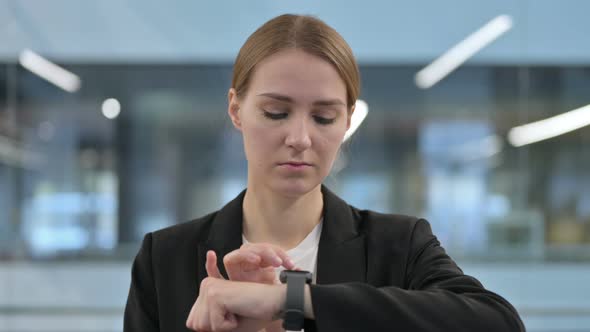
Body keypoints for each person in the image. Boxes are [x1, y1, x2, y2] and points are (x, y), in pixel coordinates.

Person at [124, 14, 525, 332]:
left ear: (348, 120)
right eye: (276, 113)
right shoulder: (165, 258)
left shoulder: (400, 246)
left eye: (323, 117)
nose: (300, 137)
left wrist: (291, 299)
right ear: (235, 110)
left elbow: (497, 322)